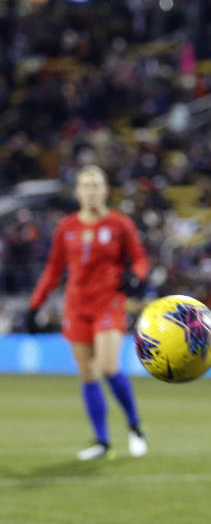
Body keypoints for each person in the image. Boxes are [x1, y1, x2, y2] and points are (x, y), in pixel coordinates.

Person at [27, 165, 150, 461]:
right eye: (86, 185)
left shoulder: (120, 224)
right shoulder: (67, 227)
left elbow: (140, 260)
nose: (92, 191)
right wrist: (35, 304)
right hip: (77, 306)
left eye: (97, 185)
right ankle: (102, 441)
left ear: (105, 191)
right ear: (79, 192)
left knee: (108, 366)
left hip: (109, 302)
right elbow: (54, 269)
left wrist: (135, 277)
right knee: (88, 374)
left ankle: (134, 426)